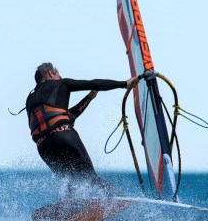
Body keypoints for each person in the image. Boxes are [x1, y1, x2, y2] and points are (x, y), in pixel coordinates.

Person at [26, 62, 137, 194]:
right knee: (91, 177)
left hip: (44, 147)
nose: (60, 77)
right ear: (50, 73)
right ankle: (115, 197)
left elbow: (65, 117)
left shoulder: (29, 99)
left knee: (68, 181)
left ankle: (71, 204)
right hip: (64, 136)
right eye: (58, 75)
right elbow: (94, 83)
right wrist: (124, 84)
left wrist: (89, 98)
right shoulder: (61, 83)